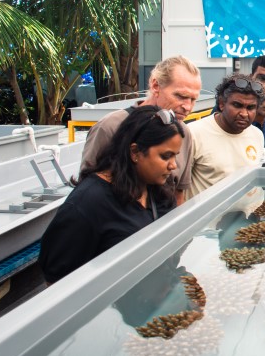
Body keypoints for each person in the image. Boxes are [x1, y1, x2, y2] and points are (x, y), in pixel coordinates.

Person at [40, 106, 185, 284]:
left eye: (175, 156)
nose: (173, 166)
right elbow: (57, 279)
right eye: (165, 156)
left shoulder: (157, 191)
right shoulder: (87, 204)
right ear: (135, 152)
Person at [81, 56, 201, 205]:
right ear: (155, 86)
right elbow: (85, 192)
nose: (188, 106)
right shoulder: (110, 127)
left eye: (193, 99)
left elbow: (178, 194)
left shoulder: (183, 134)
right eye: (181, 96)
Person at [187, 74, 265, 197]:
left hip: (250, 214)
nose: (244, 114)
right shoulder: (193, 133)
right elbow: (177, 189)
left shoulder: (257, 134)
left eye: (250, 107)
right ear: (222, 104)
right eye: (237, 105)